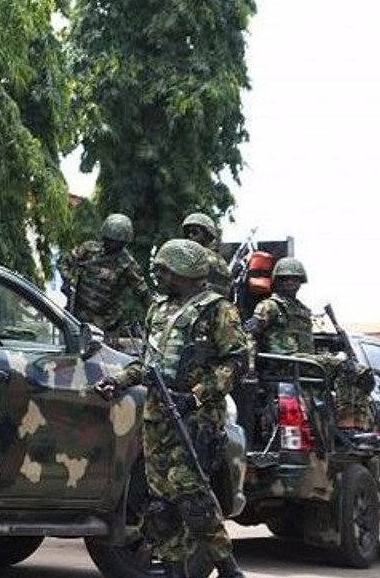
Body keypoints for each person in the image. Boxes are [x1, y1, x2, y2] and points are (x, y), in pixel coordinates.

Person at [94, 239, 251, 578]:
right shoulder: (159, 309)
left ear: (183, 271)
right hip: (157, 416)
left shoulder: (217, 309)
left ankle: (228, 568)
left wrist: (195, 395)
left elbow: (237, 362)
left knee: (192, 496)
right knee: (160, 503)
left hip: (194, 418)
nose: (158, 276)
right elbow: (148, 364)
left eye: (164, 270)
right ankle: (174, 571)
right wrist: (119, 380)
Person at [245, 258, 376, 437]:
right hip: (284, 363)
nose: (291, 282)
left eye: (295, 279)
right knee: (347, 367)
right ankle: (346, 426)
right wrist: (251, 370)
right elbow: (250, 336)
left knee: (360, 375)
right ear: (277, 281)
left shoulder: (302, 310)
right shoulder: (269, 306)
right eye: (285, 278)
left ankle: (352, 426)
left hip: (306, 364)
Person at [59, 213, 151, 350]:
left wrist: (154, 315)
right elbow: (64, 263)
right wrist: (69, 280)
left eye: (117, 242)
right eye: (110, 240)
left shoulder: (127, 263)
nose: (112, 244)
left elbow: (142, 291)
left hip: (105, 324)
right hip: (76, 316)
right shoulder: (88, 249)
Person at [181, 212, 231, 296]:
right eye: (187, 233)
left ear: (207, 235)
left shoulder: (198, 255)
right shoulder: (220, 259)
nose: (190, 236)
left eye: (194, 232)